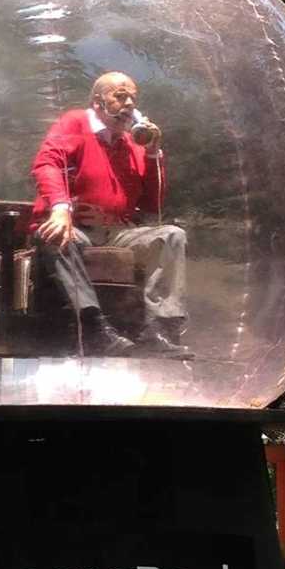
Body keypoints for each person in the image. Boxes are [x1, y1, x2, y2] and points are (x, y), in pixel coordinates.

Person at [30, 71, 192, 358]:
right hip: (77, 226)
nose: (129, 104)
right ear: (98, 102)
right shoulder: (76, 122)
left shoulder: (131, 144)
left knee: (172, 235)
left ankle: (158, 331)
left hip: (117, 231)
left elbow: (152, 205)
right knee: (58, 235)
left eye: (132, 98)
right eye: (120, 96)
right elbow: (47, 163)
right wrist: (60, 209)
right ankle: (93, 328)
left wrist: (153, 154)